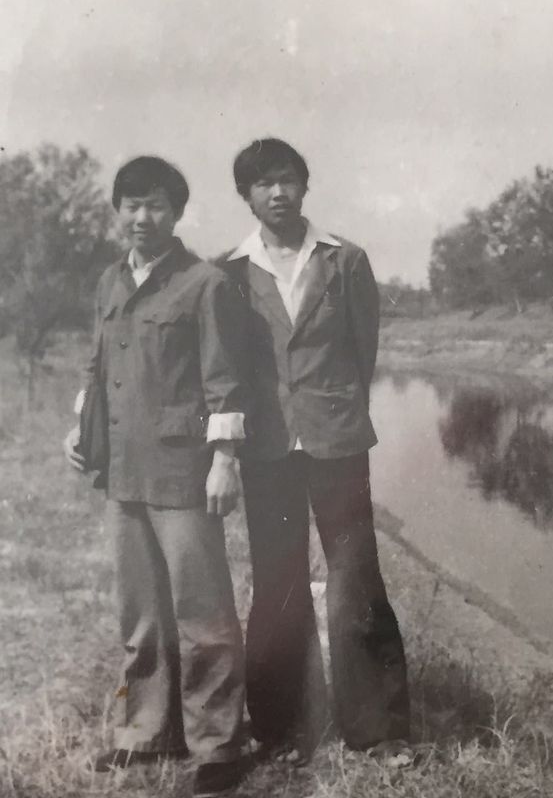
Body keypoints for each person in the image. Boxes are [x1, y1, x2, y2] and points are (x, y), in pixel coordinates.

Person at [63, 156, 250, 797]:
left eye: (156, 206)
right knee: (140, 615)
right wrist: (79, 429)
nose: (142, 217)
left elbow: (225, 383)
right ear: (118, 211)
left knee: (203, 615)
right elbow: (96, 369)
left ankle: (218, 745)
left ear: (176, 214)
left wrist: (224, 461)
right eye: (132, 205)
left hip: (183, 473)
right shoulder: (110, 281)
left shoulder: (204, 284)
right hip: (123, 473)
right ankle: (145, 732)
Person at [223, 137, 410, 758]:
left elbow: (363, 352)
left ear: (305, 186)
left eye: (288, 180)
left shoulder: (344, 259)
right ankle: (281, 727)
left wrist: (334, 410)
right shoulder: (230, 271)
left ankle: (378, 730)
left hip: (337, 439)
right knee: (277, 581)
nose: (278, 193)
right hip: (267, 448)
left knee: (355, 577)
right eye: (264, 183)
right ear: (246, 196)